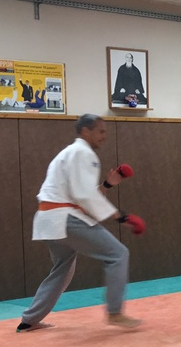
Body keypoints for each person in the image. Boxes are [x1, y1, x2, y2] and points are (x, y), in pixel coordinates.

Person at [16, 114, 145, 333]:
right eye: (100, 131)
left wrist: (107, 184)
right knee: (118, 254)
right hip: (64, 218)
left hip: (49, 219)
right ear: (86, 131)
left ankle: (29, 320)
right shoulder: (84, 153)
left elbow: (81, 194)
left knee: (62, 268)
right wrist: (120, 217)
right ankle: (115, 312)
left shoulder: (70, 153)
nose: (104, 136)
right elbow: (84, 196)